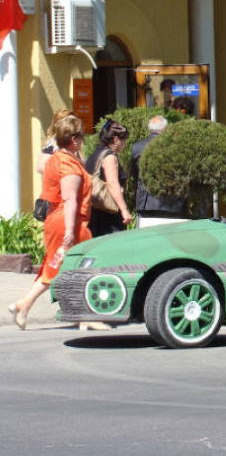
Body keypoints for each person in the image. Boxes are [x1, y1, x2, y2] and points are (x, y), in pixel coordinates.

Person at [9, 115, 93, 329]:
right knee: (74, 267)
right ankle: (83, 316)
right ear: (74, 139)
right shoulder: (67, 164)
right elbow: (70, 198)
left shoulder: (57, 157)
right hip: (68, 221)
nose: (82, 140)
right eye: (81, 136)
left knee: (56, 266)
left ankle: (24, 305)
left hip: (59, 219)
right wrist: (70, 231)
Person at [131, 116, 187, 228]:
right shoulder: (176, 147)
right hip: (172, 203)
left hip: (146, 202)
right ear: (165, 129)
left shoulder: (137, 147)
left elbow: (134, 173)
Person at [85, 119, 133, 236]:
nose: (125, 144)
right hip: (108, 214)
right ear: (116, 140)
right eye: (124, 140)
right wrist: (124, 210)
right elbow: (112, 184)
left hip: (94, 211)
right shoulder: (110, 157)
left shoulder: (95, 154)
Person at [36, 108, 77, 175]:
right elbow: (40, 167)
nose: (74, 125)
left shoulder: (73, 142)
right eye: (70, 122)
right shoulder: (53, 144)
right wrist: (63, 171)